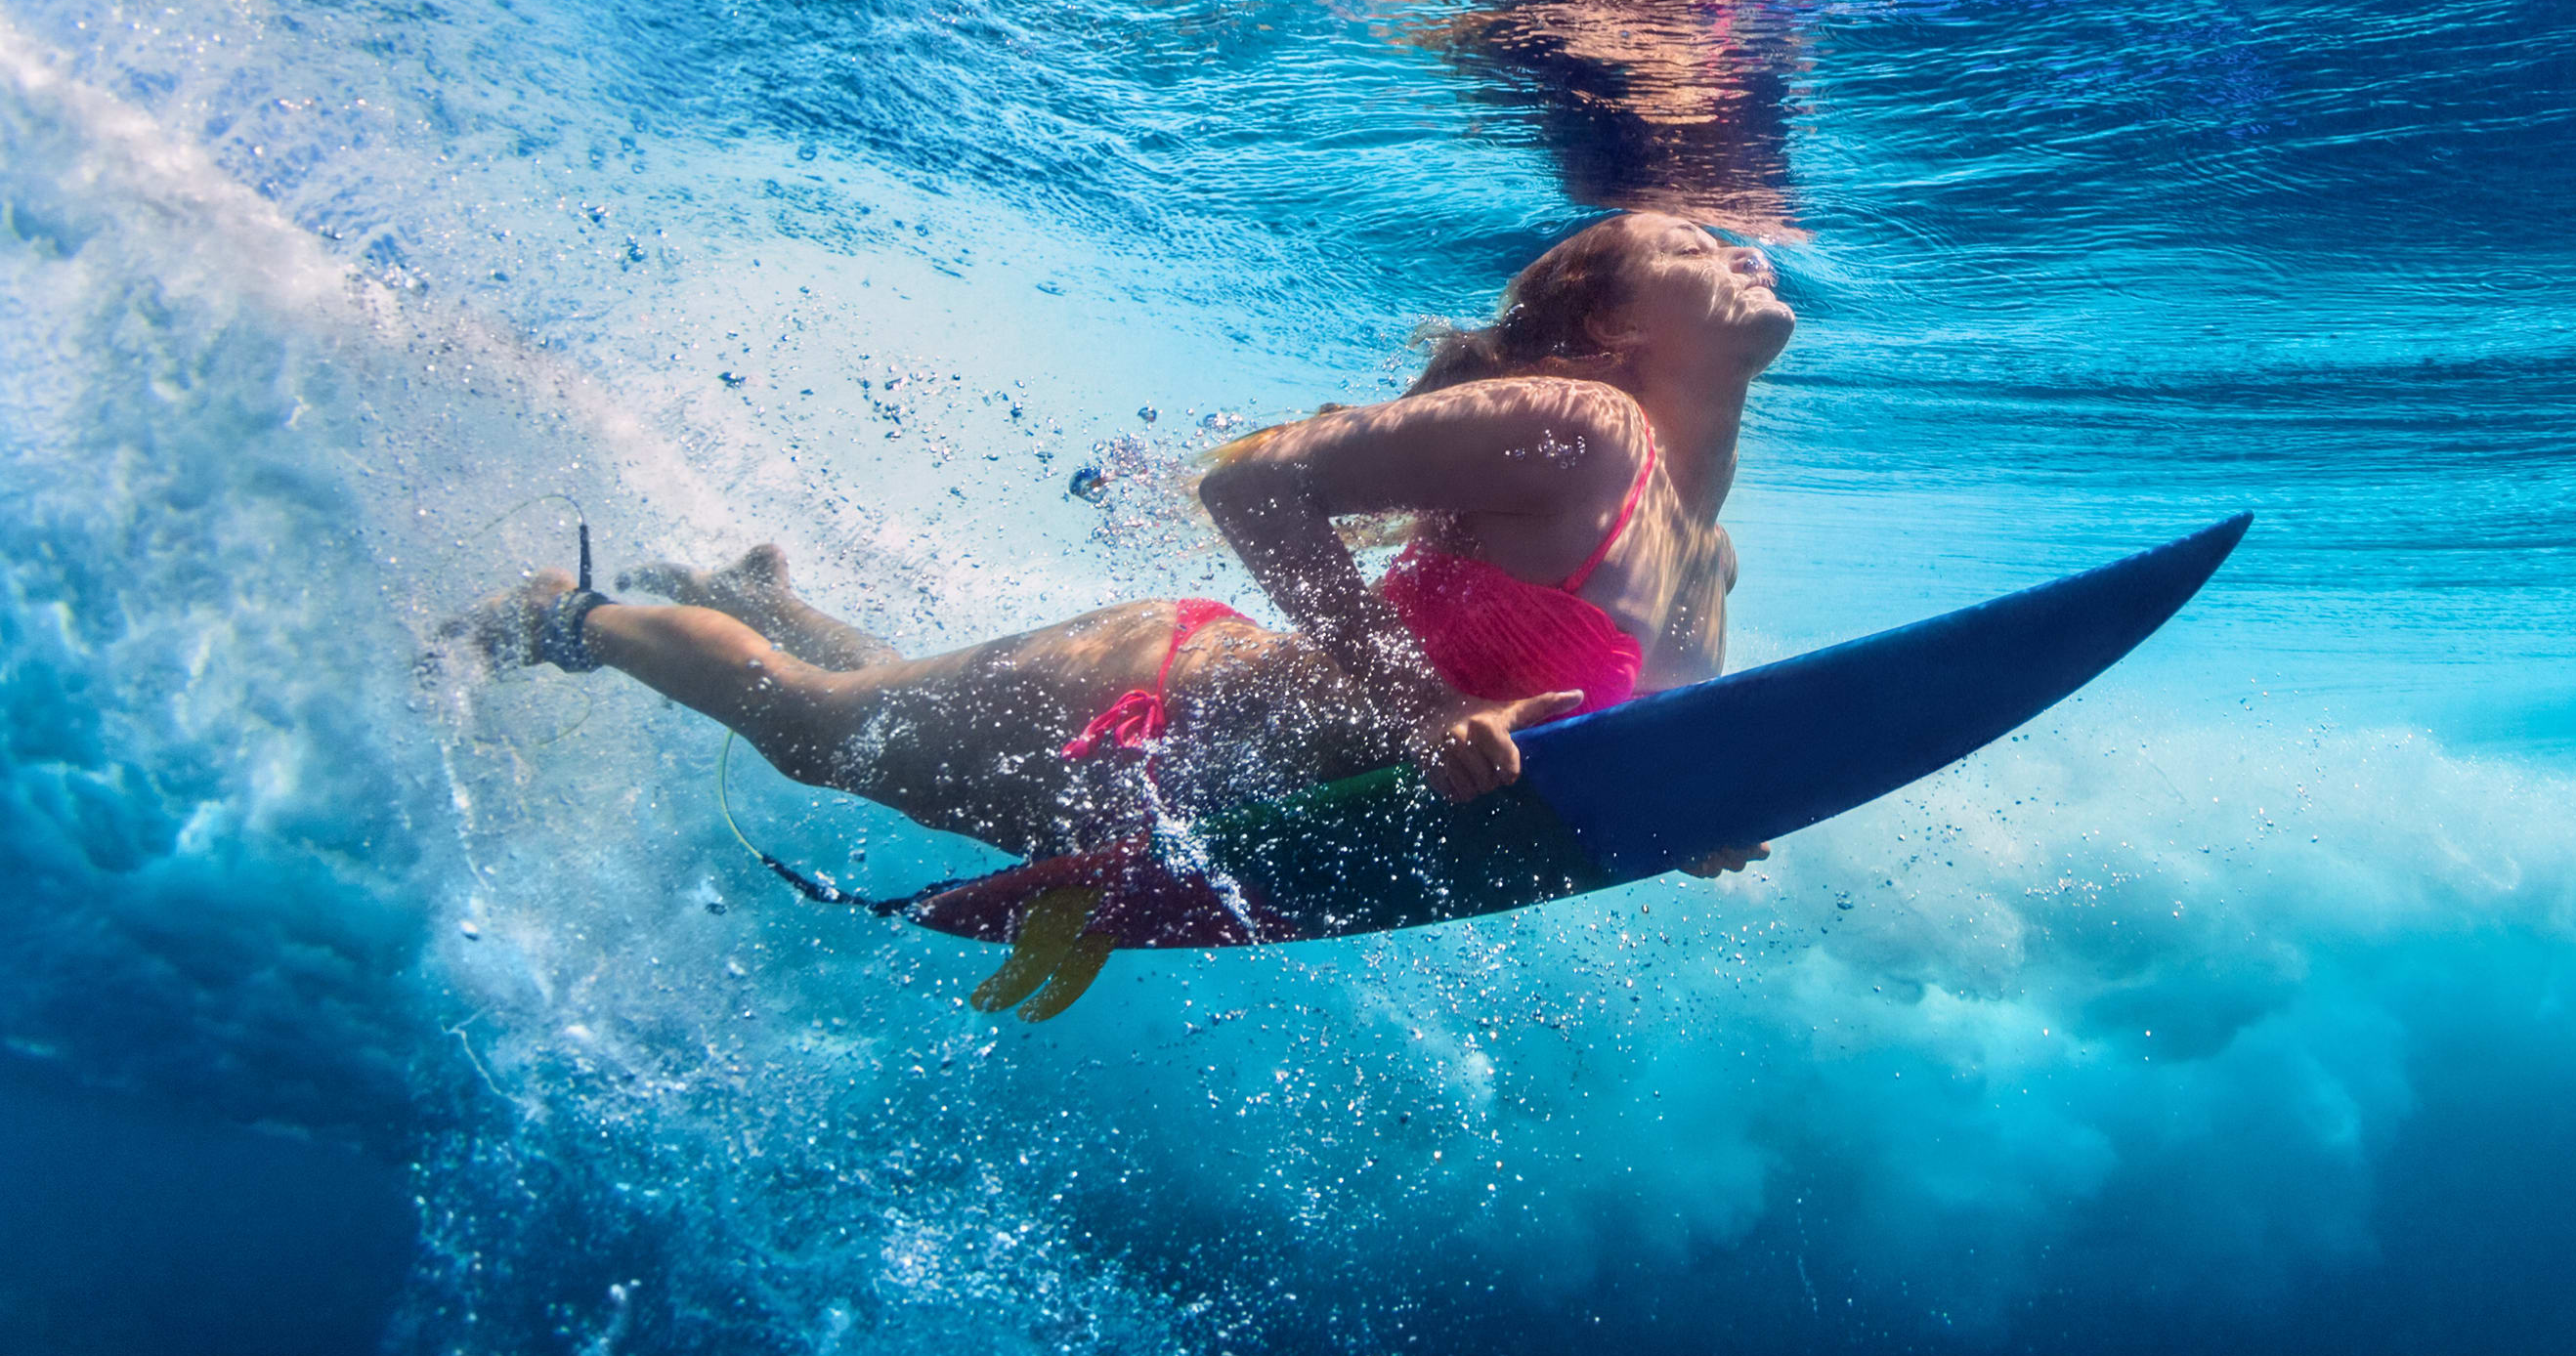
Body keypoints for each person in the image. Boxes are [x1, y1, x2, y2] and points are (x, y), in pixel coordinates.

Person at [474, 214, 1790, 874]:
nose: (1742, 250)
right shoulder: (1582, 425)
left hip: (1240, 801)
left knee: (875, 712)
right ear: (1610, 325)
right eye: (1694, 244)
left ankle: (753, 593)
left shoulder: (1705, 562)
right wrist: (1421, 710)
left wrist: (1693, 831)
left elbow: (1585, 762)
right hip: (1164, 712)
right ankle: (563, 618)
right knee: (821, 733)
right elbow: (1256, 489)